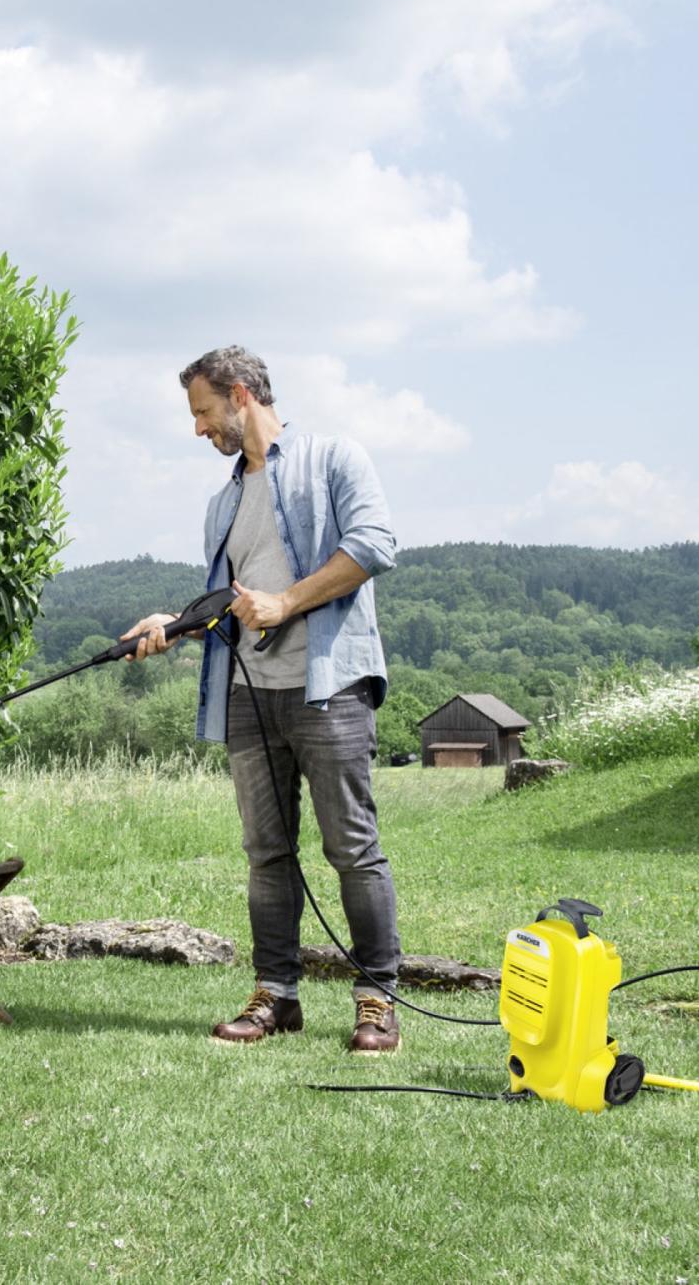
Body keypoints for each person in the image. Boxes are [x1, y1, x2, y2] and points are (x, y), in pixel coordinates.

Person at [121, 345, 403, 1052]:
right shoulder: (224, 502)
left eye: (203, 411)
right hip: (250, 699)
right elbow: (229, 606)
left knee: (353, 849)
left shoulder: (335, 457)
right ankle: (276, 995)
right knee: (266, 854)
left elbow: (373, 544)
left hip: (329, 688)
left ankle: (377, 999)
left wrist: (286, 602)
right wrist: (173, 625)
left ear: (241, 395)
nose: (198, 429)